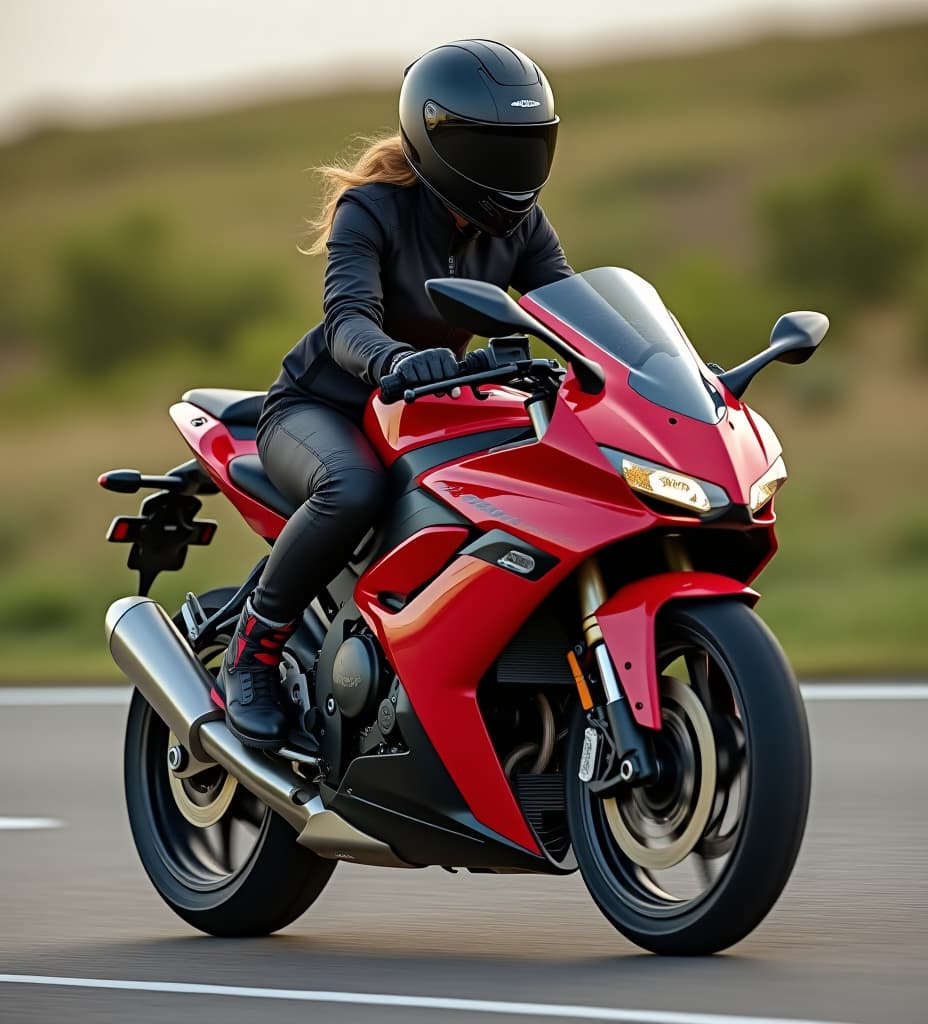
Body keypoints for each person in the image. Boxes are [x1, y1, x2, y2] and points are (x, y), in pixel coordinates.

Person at [218, 39, 574, 749]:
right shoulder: (372, 210)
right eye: (492, 151)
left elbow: (574, 309)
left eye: (524, 149)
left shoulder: (524, 228)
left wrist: (660, 364)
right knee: (351, 490)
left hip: (430, 411)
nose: (512, 171)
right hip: (324, 406)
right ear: (439, 144)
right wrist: (390, 360)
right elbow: (347, 317)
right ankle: (250, 652)